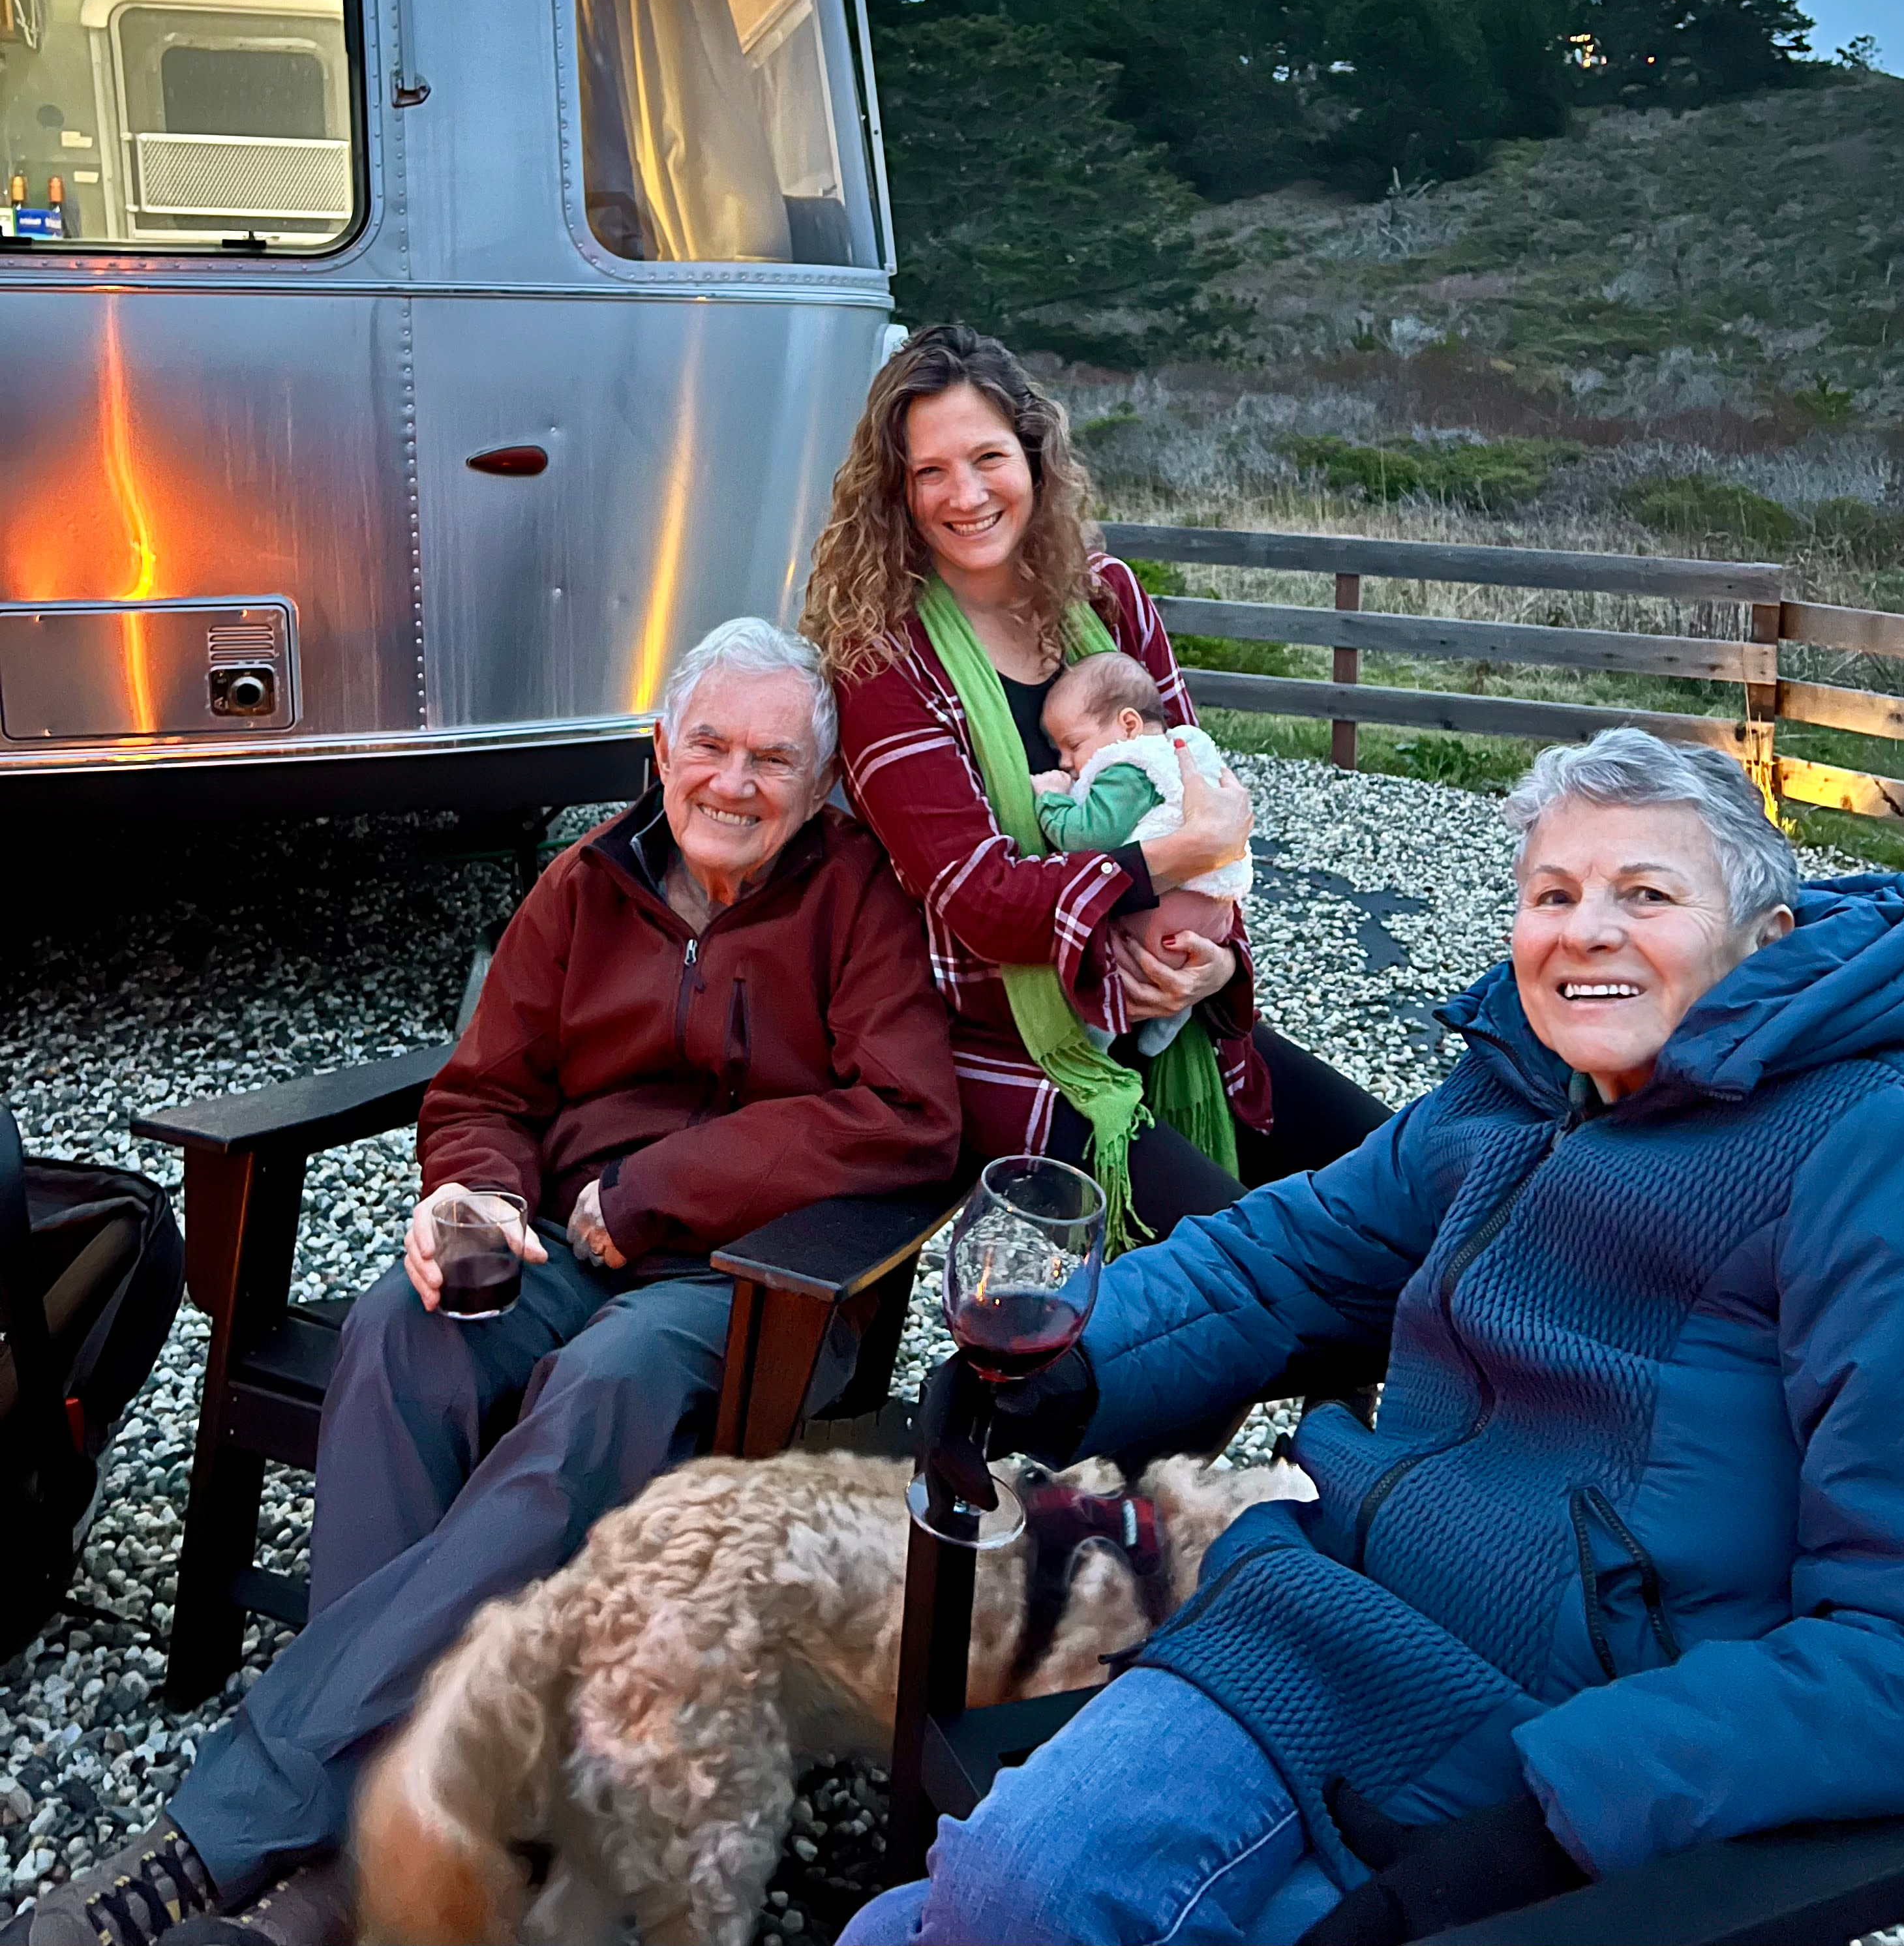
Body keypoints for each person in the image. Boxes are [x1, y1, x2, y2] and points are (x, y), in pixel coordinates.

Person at [850, 727, 1904, 1945]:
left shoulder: (1884, 1144)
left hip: (1564, 1729)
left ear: (1766, 933)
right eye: (1551, 894)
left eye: (1642, 893)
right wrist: (1081, 1358)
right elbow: (1293, 1248)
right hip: (1323, 1619)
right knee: (1007, 1894)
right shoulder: (1518, 1080)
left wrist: (1560, 1814)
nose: (1583, 930)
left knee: (968, 1914)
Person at [17, 619, 962, 1946]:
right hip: (561, 1245)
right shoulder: (586, 881)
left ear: (819, 786)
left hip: (754, 1288)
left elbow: (910, 1116)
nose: (734, 781)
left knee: (599, 1390)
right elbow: (485, 1087)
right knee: (406, 1329)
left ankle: (235, 1831)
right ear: (659, 747)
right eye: (709, 744)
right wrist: (474, 1189)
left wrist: (657, 1192)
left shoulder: (859, 899)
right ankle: (391, 1829)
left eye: (772, 758)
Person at [801, 322, 1387, 1244]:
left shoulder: (1107, 596)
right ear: (895, 492)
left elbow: (1204, 791)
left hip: (1172, 1002)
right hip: (1015, 1041)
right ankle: (1065, 1382)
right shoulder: (882, 659)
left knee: (1400, 1178)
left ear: (1034, 456)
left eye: (989, 456)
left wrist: (1216, 961)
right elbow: (981, 899)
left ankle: (1337, 1388)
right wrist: (1167, 857)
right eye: (930, 473)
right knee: (1248, 1260)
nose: (966, 494)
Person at [1032, 652, 1250, 1059]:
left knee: (1109, 951)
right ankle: (1171, 1021)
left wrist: (1052, 800)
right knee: (1181, 967)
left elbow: (1085, 837)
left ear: (1128, 725)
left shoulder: (1129, 768)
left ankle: (1093, 1039)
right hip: (1214, 915)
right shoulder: (1186, 750)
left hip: (1162, 913)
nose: (1066, 762)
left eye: (1073, 745)